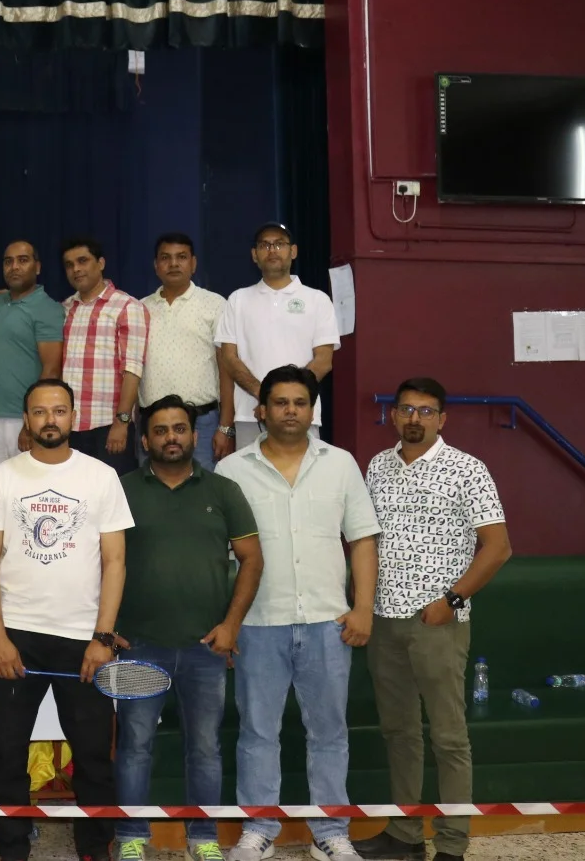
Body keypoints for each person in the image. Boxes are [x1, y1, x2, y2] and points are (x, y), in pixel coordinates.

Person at [218, 366, 380, 861]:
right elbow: (219, 556)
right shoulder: (232, 471)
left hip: (329, 623)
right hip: (258, 624)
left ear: (313, 410)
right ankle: (258, 830)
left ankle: (331, 833)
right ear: (260, 410)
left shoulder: (341, 464)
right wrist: (227, 623)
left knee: (329, 732)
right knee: (257, 733)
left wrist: (363, 608)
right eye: (280, 402)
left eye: (300, 402)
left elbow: (362, 539)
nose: (290, 410)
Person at [0, 379, 132, 861]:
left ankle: (94, 850)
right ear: (26, 419)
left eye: (59, 411)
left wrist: (103, 637)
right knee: (8, 755)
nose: (49, 420)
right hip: (16, 637)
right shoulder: (2, 478)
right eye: (40, 412)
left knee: (93, 757)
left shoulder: (102, 477)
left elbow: (115, 562)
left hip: (83, 640)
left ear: (73, 416)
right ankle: (12, 851)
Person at [354, 378, 511, 861]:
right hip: (383, 621)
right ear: (393, 415)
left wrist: (452, 600)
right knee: (399, 733)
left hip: (437, 623)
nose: (414, 418)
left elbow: (498, 548)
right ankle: (404, 836)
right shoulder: (377, 466)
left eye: (426, 411)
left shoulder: (467, 469)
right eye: (406, 409)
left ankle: (451, 845)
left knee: (448, 737)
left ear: (442, 419)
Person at [113, 394, 264, 861]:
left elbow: (252, 559)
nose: (171, 437)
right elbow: (101, 562)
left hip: (206, 647)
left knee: (204, 749)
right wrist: (107, 627)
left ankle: (203, 838)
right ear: (145, 440)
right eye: (160, 430)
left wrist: (231, 625)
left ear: (194, 436)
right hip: (138, 645)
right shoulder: (121, 490)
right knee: (134, 747)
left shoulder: (222, 491)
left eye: (179, 429)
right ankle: (131, 836)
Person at [215, 222, 341, 449]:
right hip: (250, 416)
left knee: (303, 472)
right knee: (249, 473)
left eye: (279, 244)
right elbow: (229, 359)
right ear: (254, 255)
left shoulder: (318, 300)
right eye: (264, 245)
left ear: (293, 251)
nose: (272, 250)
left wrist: (283, 399)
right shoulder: (238, 300)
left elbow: (323, 361)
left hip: (301, 414)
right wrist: (264, 396)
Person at [139, 233, 233, 471]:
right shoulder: (139, 308)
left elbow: (226, 369)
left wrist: (225, 427)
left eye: (181, 257)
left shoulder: (215, 304)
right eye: (165, 258)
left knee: (201, 489)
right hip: (152, 422)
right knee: (151, 490)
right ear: (156, 265)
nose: (173, 264)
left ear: (193, 263)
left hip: (202, 423)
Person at [58, 236, 147, 476]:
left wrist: (122, 422)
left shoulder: (127, 306)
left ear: (101, 263)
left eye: (83, 261)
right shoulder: (64, 309)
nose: (76, 269)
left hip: (108, 426)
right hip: (69, 426)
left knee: (112, 494)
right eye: (69, 264)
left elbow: (133, 369)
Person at [0, 240, 64, 474]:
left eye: (23, 260)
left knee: (28, 487)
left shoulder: (48, 309)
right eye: (8, 261)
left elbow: (51, 370)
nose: (14, 267)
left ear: (38, 267)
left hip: (22, 419)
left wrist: (31, 422)